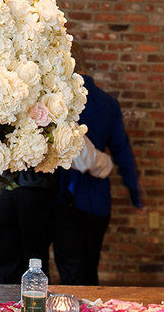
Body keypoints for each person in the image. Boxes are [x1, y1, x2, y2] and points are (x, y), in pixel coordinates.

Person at [51, 73, 143, 285]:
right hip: (97, 199)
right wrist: (134, 192)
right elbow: (123, 151)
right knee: (90, 266)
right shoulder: (108, 103)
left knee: (70, 270)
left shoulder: (60, 101)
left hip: (64, 197)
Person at [0, 170, 59, 284]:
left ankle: (33, 299)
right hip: (4, 186)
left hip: (35, 184)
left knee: (34, 261)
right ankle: (5, 300)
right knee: (4, 262)